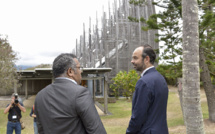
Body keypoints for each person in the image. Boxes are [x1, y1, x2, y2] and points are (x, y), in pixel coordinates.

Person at [35, 53, 107, 134]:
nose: (81, 72)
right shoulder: (80, 93)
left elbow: (41, 130)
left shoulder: (40, 96)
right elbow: (97, 131)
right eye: (79, 68)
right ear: (70, 71)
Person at [126, 45, 169, 134]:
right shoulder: (161, 78)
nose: (132, 61)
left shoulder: (143, 82)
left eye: (135, 58)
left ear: (146, 59)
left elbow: (138, 116)